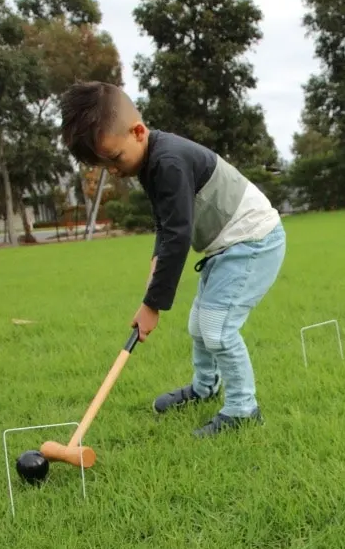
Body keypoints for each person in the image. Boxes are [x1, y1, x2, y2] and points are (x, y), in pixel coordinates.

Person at [60, 82, 286, 438]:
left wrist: (153, 304)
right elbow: (166, 224)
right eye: (106, 166)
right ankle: (204, 387)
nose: (114, 171)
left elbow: (179, 236)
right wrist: (155, 267)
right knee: (199, 325)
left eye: (115, 159)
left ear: (138, 132)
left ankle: (243, 409)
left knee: (218, 329)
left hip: (253, 241)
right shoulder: (150, 162)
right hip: (226, 246)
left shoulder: (168, 161)